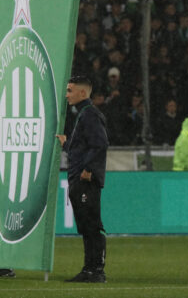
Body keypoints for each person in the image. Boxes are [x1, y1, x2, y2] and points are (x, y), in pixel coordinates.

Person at [57, 75, 109, 283]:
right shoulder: (84, 115)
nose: (66, 95)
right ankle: (89, 269)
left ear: (82, 93)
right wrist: (66, 144)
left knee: (92, 225)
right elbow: (83, 148)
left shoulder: (89, 114)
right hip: (78, 179)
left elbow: (101, 143)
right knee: (86, 226)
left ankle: (96, 270)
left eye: (70, 91)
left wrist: (88, 168)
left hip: (86, 179)